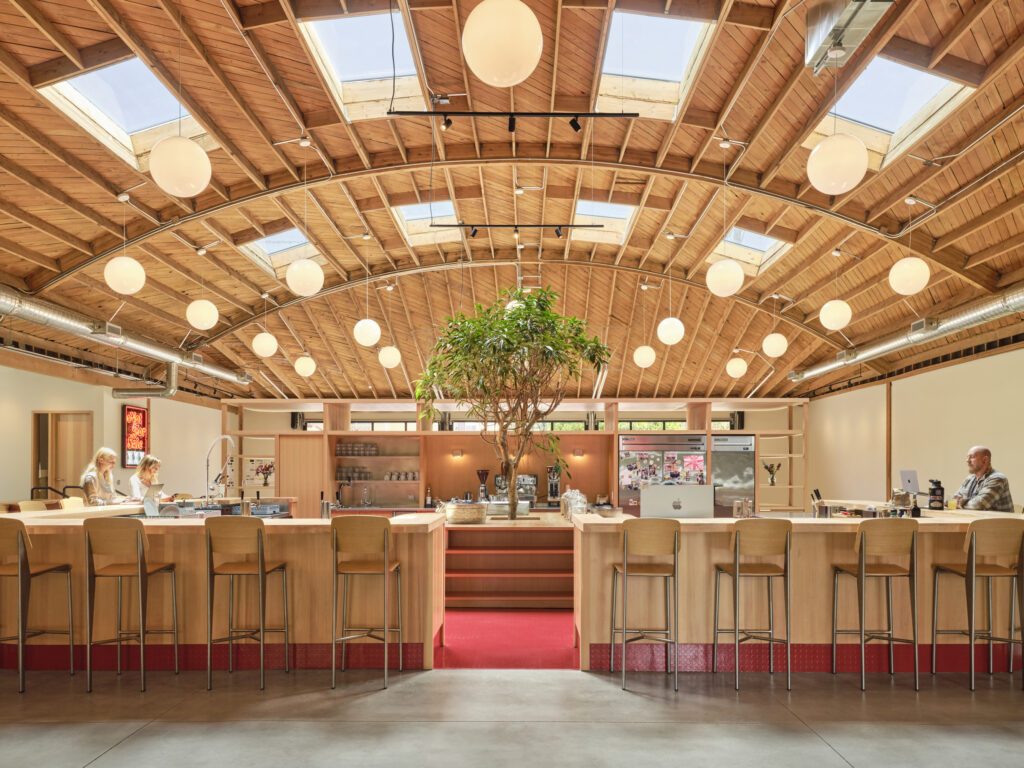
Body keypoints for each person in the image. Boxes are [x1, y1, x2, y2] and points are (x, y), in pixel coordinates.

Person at [952, 445, 1014, 512]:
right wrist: (954, 502)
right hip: (975, 520)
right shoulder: (969, 479)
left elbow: (980, 505)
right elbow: (953, 500)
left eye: (972, 457)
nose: (967, 460)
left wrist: (960, 503)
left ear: (985, 460)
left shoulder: (997, 479)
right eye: (967, 457)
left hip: (998, 522)